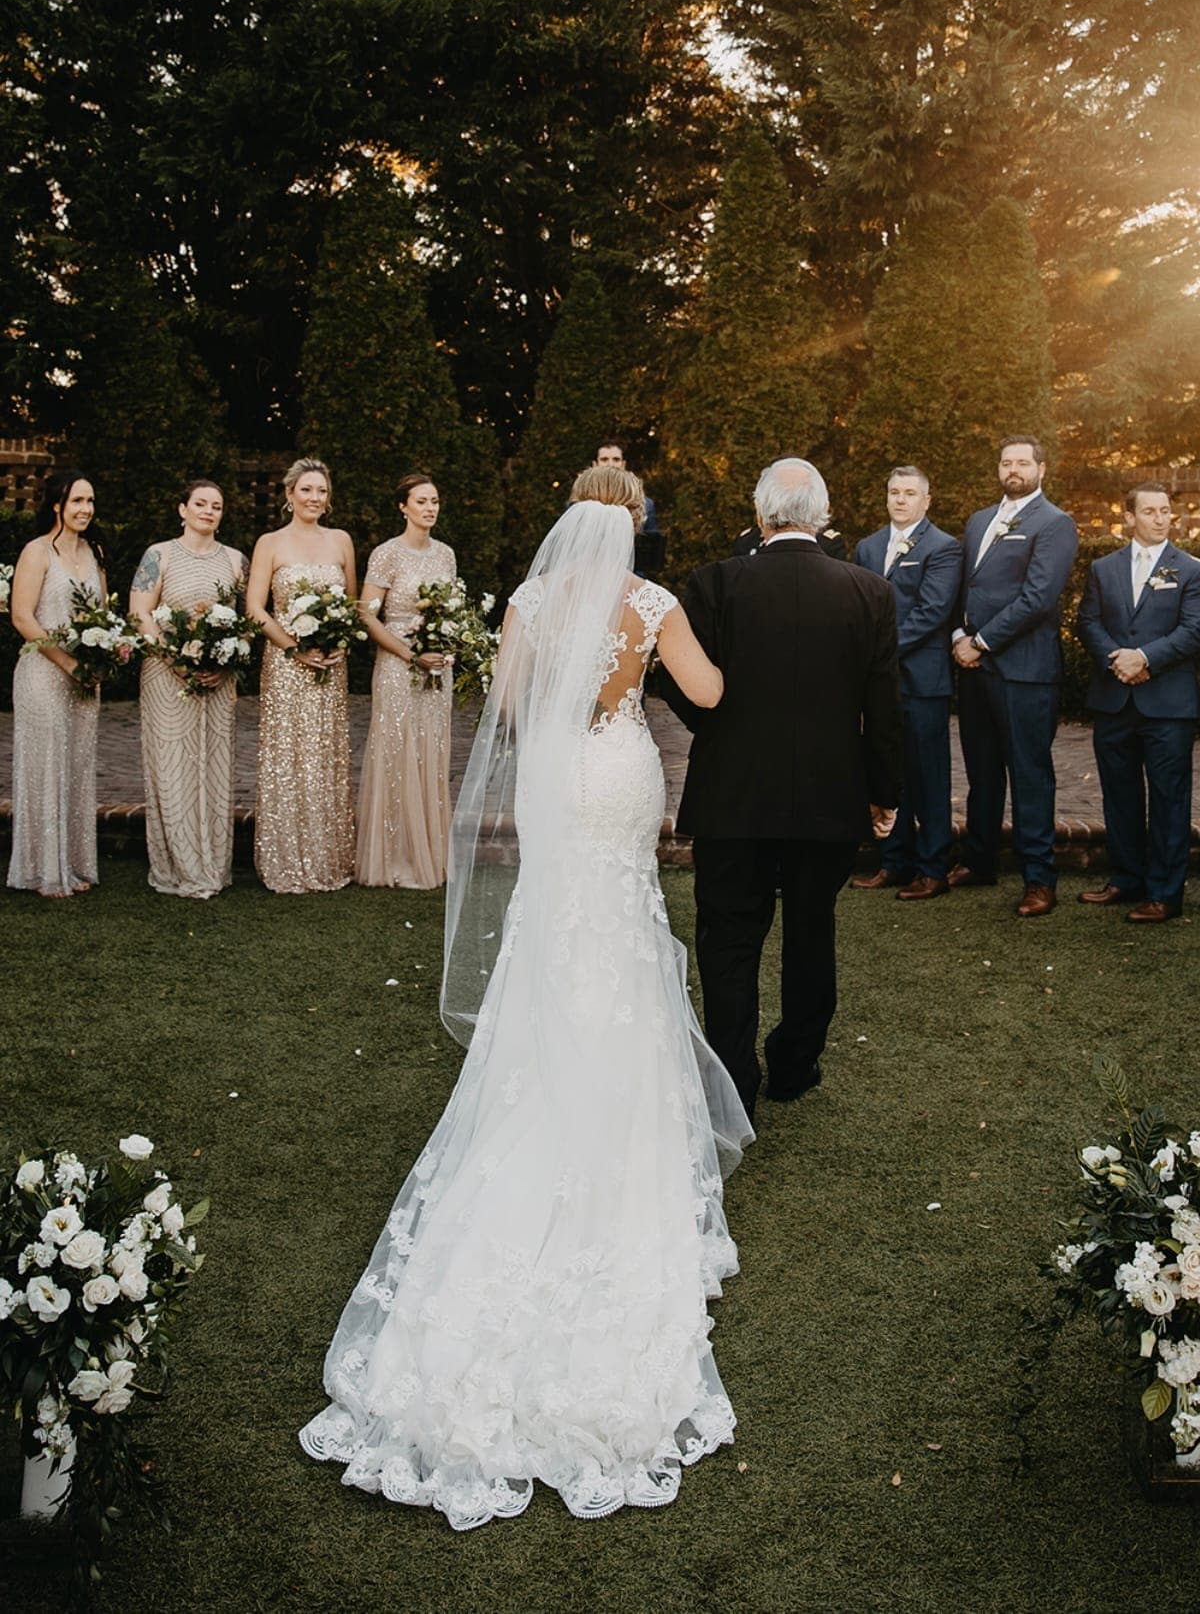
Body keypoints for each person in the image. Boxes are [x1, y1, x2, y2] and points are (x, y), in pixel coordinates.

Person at [300, 462, 752, 1527]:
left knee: (559, 930)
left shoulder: (529, 601)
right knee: (630, 936)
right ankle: (622, 1129)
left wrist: (561, 687)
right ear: (631, 521)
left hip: (557, 778)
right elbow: (712, 694)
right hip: (622, 772)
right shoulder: (653, 604)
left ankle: (542, 1092)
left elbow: (504, 704)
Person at [656, 458, 901, 1119]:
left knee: (728, 939)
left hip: (732, 796)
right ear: (821, 518)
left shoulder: (714, 584)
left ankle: (734, 1082)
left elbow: (674, 680)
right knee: (811, 929)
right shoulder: (869, 592)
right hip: (829, 796)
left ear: (760, 515)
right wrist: (884, 792)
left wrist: (718, 729)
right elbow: (884, 706)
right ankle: (795, 1063)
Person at [949, 436, 1078, 916]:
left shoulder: (1055, 523)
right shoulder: (979, 520)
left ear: (1041, 469)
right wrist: (960, 635)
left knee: (1030, 775)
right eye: (1006, 462)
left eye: (1023, 462)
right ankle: (979, 860)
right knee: (982, 773)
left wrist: (981, 642)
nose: (1013, 469)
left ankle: (1039, 879)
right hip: (975, 669)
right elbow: (968, 587)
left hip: (1025, 672)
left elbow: (1038, 598)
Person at [1076, 484, 1200, 923]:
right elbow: (1088, 621)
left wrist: (1145, 658)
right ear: (1129, 517)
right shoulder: (1103, 568)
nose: (1159, 518)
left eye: (1165, 511)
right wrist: (1116, 659)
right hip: (1114, 699)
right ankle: (1126, 878)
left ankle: (1165, 894)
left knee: (1170, 799)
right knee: (1120, 794)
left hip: (1167, 705)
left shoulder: (1192, 570)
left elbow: (1194, 631)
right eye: (1149, 511)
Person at [130, 480, 248, 899]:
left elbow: (242, 622)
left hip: (218, 682)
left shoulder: (236, 560)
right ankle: (178, 865)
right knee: (172, 765)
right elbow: (140, 613)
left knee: (214, 766)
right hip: (166, 676)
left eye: (217, 505)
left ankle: (214, 865)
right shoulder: (158, 555)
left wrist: (227, 661)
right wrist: (175, 659)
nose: (209, 511)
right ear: (182, 509)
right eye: (200, 503)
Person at [246, 458, 356, 894]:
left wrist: (340, 642)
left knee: (324, 752)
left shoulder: (341, 541)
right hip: (286, 664)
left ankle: (327, 858)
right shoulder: (270, 543)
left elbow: (351, 603)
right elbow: (256, 607)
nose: (314, 498)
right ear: (289, 495)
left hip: (329, 664)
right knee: (288, 757)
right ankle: (285, 860)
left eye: (322, 492)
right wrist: (293, 647)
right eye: (306, 490)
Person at [851, 465, 962, 899]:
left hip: (923, 680)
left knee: (928, 776)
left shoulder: (943, 547)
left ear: (926, 501)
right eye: (894, 491)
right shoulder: (868, 546)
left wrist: (880, 654)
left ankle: (932, 868)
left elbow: (932, 613)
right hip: (879, 684)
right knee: (886, 771)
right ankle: (893, 862)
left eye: (910, 492)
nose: (901, 499)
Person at [7, 471, 105, 897]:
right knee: (46, 765)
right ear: (57, 506)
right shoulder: (37, 552)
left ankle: (73, 865)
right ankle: (41, 870)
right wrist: (68, 662)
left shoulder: (95, 552)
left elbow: (103, 618)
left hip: (84, 678)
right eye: (77, 501)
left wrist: (103, 656)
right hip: (43, 673)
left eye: (90, 501)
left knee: (77, 766)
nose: (85, 509)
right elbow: (22, 617)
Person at [355, 474, 456, 890]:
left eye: (434, 501)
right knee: (397, 750)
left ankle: (426, 854)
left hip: (437, 669)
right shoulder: (386, 554)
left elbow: (451, 610)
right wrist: (409, 653)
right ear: (403, 507)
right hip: (399, 665)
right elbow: (366, 614)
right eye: (421, 501)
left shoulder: (447, 555)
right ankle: (393, 857)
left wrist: (448, 643)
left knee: (431, 750)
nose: (430, 508)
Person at [594, 437, 664, 577]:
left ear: (623, 464)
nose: (610, 464)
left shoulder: (646, 504)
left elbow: (651, 555)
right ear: (595, 464)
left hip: (632, 580)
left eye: (616, 459)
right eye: (604, 459)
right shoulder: (577, 504)